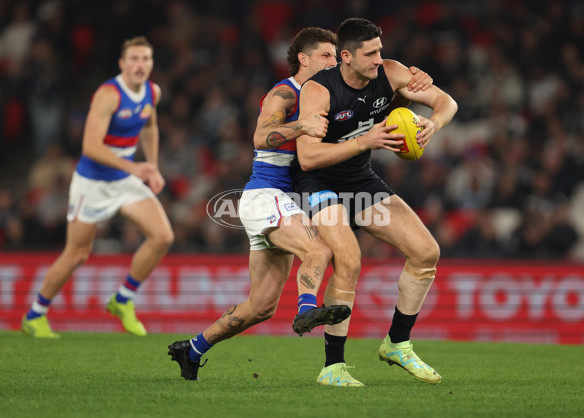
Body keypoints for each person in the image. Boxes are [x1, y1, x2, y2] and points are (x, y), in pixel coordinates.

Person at [167, 27, 433, 381]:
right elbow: (261, 136)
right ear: (303, 59)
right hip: (268, 194)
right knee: (321, 249)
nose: (332, 60)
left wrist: (413, 83)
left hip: (293, 202)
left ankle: (193, 348)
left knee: (260, 307)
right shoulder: (286, 92)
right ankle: (308, 310)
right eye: (325, 55)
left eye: (335, 54)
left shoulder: (332, 93)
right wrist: (299, 126)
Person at [292, 18, 458, 387]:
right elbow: (307, 158)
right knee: (349, 260)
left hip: (360, 182)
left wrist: (435, 123)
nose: (379, 59)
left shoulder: (393, 72)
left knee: (426, 252)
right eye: (370, 53)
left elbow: (447, 102)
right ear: (346, 57)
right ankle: (332, 368)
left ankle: (397, 343)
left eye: (380, 50)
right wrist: (363, 143)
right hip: (321, 184)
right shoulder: (319, 91)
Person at [21, 36, 174, 338]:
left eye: (145, 58)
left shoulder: (152, 93)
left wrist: (152, 166)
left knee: (162, 236)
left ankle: (122, 299)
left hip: (123, 181)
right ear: (122, 64)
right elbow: (90, 146)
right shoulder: (108, 94)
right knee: (77, 253)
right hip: (91, 184)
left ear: (151, 64)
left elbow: (150, 126)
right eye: (134, 58)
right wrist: (135, 168)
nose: (140, 64)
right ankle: (34, 315)